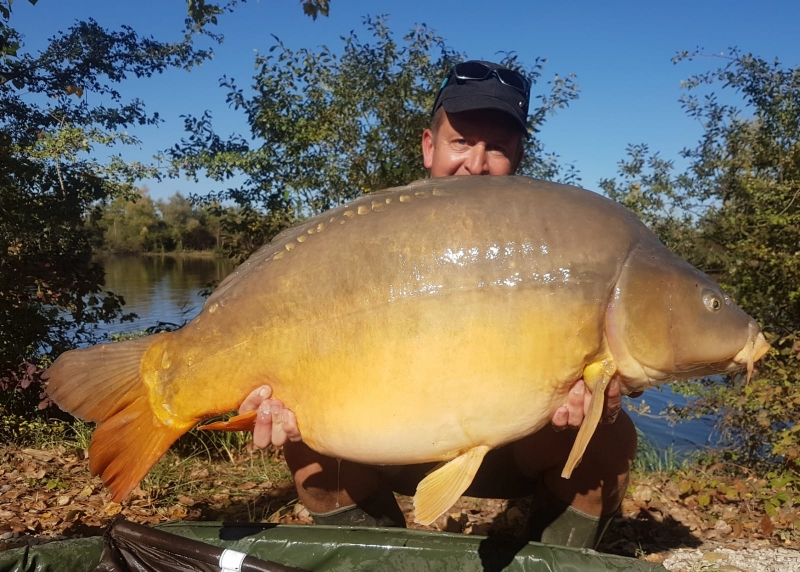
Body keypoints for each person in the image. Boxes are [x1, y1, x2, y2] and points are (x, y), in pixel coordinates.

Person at [237, 60, 638, 549]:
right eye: (462, 142)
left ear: (518, 158)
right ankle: (382, 559)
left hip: (512, 445)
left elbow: (621, 343)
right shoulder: (367, 237)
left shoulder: (553, 246)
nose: (476, 162)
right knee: (310, 451)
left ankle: (553, 557)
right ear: (430, 146)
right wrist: (273, 394)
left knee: (610, 441)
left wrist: (604, 391)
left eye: (497, 148)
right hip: (389, 441)